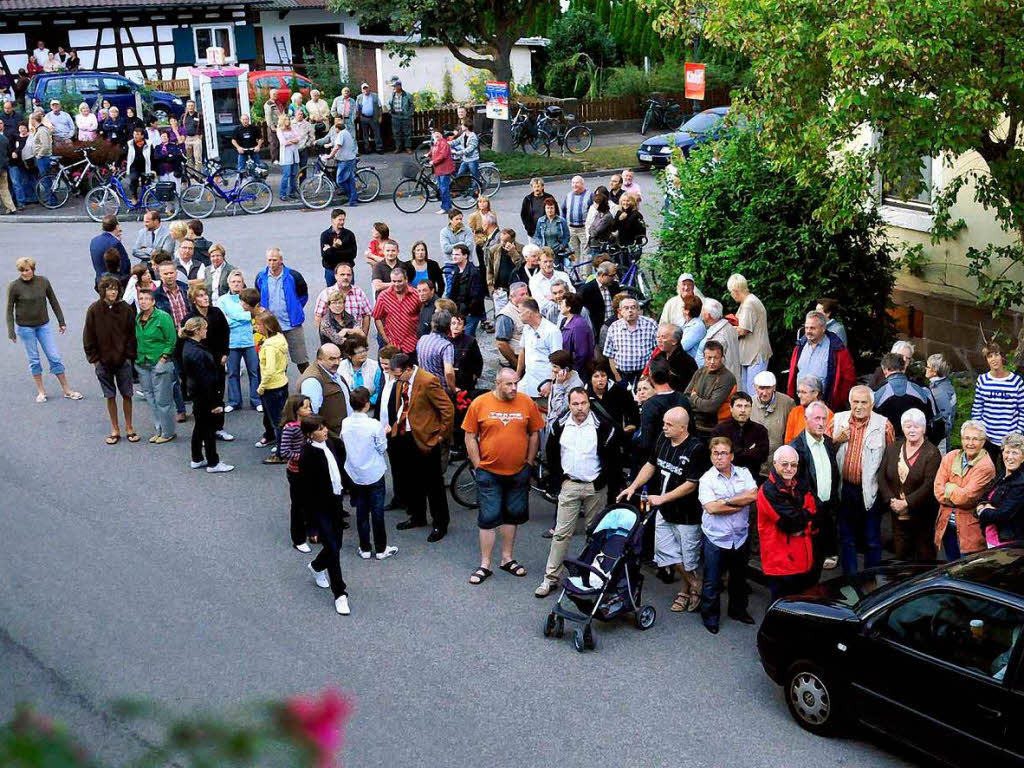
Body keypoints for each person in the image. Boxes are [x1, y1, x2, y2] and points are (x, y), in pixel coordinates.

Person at [619, 406, 709, 611]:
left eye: (669, 424)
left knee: (688, 558)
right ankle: (696, 584)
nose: (664, 427)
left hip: (687, 515)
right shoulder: (662, 439)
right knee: (666, 553)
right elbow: (651, 465)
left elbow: (691, 484)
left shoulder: (696, 449)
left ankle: (686, 591)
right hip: (664, 511)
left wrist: (662, 498)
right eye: (664, 423)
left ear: (683, 427)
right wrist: (633, 486)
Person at [536, 387, 621, 596]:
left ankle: (590, 577)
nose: (580, 408)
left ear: (589, 403)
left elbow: (614, 460)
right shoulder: (560, 425)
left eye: (583, 403)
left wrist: (603, 484)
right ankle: (550, 579)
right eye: (575, 404)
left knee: (596, 534)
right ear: (569, 405)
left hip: (595, 487)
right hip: (570, 486)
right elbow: (551, 454)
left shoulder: (603, 426)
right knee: (561, 534)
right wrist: (560, 481)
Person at [463, 368, 544, 584]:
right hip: (489, 472)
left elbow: (535, 432)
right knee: (488, 518)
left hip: (518, 471)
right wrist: (477, 464)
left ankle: (507, 559)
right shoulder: (480, 403)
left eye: (516, 383)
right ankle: (485, 564)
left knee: (512, 515)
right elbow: (470, 435)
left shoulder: (526, 402)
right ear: (497, 384)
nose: (514, 388)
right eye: (509, 384)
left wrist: (529, 461)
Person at [387, 352, 453, 541]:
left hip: (425, 437)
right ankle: (417, 516)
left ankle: (440, 523)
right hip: (405, 434)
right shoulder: (402, 380)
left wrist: (440, 436)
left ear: (408, 369)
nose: (396, 379)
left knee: (433, 484)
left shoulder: (427, 380)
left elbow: (447, 408)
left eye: (398, 375)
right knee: (412, 480)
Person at [697, 436, 758, 633]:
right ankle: (710, 617)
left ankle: (738, 611)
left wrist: (725, 501)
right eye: (715, 453)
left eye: (723, 453)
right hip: (716, 538)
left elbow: (753, 496)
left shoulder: (744, 473)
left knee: (739, 579)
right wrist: (738, 504)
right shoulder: (706, 479)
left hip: (740, 537)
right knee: (712, 581)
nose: (719, 458)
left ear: (731, 456)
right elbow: (712, 508)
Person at [831, 385, 895, 576]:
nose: (858, 406)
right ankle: (850, 580)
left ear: (872, 404)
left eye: (863, 402)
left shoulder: (884, 425)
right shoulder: (837, 420)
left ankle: (871, 581)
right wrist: (836, 439)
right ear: (850, 402)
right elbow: (823, 448)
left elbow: (890, 459)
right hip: (846, 488)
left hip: (871, 489)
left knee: (872, 539)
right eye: (855, 402)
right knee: (846, 537)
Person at [6, 257, 82, 402]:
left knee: (54, 356)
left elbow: (53, 301)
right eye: (21, 271)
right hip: (25, 328)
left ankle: (66, 389)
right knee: (34, 359)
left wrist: (61, 321)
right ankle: (41, 391)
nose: (24, 273)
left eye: (27, 270)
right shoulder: (14, 286)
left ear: (33, 269)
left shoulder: (43, 282)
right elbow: (9, 310)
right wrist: (11, 331)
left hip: (43, 325)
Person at [298, 415, 351, 615]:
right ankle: (340, 594)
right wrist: (311, 526)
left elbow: (338, 469)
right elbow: (306, 493)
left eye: (324, 426)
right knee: (333, 548)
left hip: (336, 503)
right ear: (310, 435)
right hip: (320, 508)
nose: (325, 431)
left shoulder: (329, 443)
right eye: (320, 429)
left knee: (336, 544)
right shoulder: (307, 455)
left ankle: (316, 566)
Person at [877, 408, 942, 562]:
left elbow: (929, 484)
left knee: (923, 555)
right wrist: (892, 501)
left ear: (924, 429)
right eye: (908, 426)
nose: (912, 430)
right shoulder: (893, 448)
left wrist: (906, 503)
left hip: (922, 515)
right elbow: (881, 476)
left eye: (916, 426)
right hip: (896, 514)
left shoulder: (932, 453)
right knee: (900, 555)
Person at [342, 386, 398, 559]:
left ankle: (365, 547)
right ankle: (381, 548)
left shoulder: (346, 422)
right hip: (374, 472)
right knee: (377, 512)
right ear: (367, 404)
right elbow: (382, 447)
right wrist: (385, 432)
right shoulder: (374, 425)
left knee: (361, 511)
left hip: (355, 473)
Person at [757, 446, 818, 601]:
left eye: (793, 464)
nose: (789, 469)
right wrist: (805, 517)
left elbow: (815, 511)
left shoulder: (800, 484)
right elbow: (793, 523)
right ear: (775, 464)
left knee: (799, 604)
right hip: (780, 562)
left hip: (802, 558)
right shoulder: (768, 490)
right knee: (780, 606)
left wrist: (802, 520)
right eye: (784, 464)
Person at [83, 276, 137, 444]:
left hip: (123, 361)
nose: (113, 291)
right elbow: (88, 337)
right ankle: (115, 428)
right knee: (110, 396)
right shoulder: (94, 310)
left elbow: (132, 335)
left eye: (115, 288)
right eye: (109, 288)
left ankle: (129, 427)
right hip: (103, 362)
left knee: (127, 394)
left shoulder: (126, 309)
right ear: (103, 291)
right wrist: (95, 360)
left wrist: (129, 357)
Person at [933, 420, 997, 560]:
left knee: (967, 571)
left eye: (975, 439)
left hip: (969, 531)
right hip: (947, 526)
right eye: (967, 438)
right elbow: (937, 490)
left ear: (983, 441)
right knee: (950, 568)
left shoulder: (985, 466)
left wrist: (949, 487)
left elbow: (966, 497)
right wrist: (956, 490)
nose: (970, 443)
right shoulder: (951, 456)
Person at [786, 310, 856, 411]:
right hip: (800, 403)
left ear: (823, 328)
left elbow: (848, 378)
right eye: (806, 327)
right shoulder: (800, 346)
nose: (808, 331)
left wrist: (837, 401)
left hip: (825, 406)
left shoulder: (837, 349)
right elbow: (793, 374)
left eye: (812, 328)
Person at [972, 341, 1024, 473]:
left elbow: (1022, 410)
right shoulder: (982, 380)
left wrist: (1016, 434)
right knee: (987, 473)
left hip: (1010, 438)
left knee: (1011, 474)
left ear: (1002, 357)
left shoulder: (1016, 382)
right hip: (988, 437)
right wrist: (980, 433)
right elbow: (977, 409)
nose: (993, 359)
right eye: (990, 356)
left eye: (996, 355)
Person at [254, 248, 309, 372]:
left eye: (275, 260)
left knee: (302, 361)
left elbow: (303, 295)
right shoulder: (261, 277)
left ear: (281, 260)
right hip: (271, 327)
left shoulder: (293, 276)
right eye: (269, 260)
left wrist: (295, 308)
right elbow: (258, 295)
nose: (272, 263)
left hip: (292, 325)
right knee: (277, 363)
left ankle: (308, 386)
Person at [133, 287, 177, 444]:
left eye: (146, 299)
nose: (143, 302)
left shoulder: (162, 317)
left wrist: (163, 358)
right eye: (141, 299)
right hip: (142, 363)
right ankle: (159, 429)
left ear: (153, 302)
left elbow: (171, 339)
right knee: (150, 398)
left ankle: (168, 432)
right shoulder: (138, 318)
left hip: (159, 363)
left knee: (163, 399)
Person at [277, 394, 316, 551]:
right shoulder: (291, 428)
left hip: (310, 470)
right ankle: (298, 539)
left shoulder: (309, 424)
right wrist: (303, 457)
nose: (309, 409)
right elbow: (285, 451)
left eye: (309, 406)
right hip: (297, 472)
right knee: (298, 505)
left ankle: (312, 530)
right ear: (296, 410)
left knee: (311, 501)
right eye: (305, 407)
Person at [873, 351, 940, 440]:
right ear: (904, 368)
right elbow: (936, 422)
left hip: (888, 445)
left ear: (884, 369)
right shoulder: (922, 390)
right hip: (919, 443)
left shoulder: (876, 394)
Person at [216, 271, 258, 413]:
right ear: (228, 283)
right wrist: (243, 317)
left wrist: (233, 316)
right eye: (233, 282)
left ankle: (256, 400)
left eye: (238, 281)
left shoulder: (249, 297)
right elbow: (223, 320)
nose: (236, 284)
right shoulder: (222, 300)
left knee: (254, 372)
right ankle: (234, 401)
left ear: (243, 283)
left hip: (249, 341)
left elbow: (253, 315)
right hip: (231, 342)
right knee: (233, 373)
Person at [635, 359, 693, 461]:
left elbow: (646, 442)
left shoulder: (650, 405)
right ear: (669, 373)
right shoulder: (682, 398)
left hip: (659, 459)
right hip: (682, 456)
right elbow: (691, 429)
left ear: (651, 376)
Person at [976, 432, 1024, 548]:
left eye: (1015, 453)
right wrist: (983, 506)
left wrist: (983, 511)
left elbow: (1003, 514)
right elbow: (984, 496)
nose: (1010, 457)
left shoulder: (1021, 483)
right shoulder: (1002, 473)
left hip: (1010, 543)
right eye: (1007, 452)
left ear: (1023, 457)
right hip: (992, 538)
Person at [727, 274, 772, 394]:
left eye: (731, 292)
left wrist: (728, 330)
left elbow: (743, 330)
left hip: (755, 355)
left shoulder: (748, 304)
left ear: (735, 291)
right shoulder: (749, 301)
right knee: (746, 390)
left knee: (753, 392)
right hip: (749, 355)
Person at [254, 311, 290, 458]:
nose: (256, 327)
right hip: (282, 382)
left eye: (258, 324)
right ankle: (282, 443)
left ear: (267, 326)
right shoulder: (280, 339)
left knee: (277, 420)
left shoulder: (269, 346)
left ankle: (282, 450)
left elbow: (269, 370)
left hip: (272, 387)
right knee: (282, 417)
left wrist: (261, 387)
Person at [298, 343, 352, 438]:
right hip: (331, 437)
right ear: (320, 359)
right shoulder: (312, 381)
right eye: (332, 359)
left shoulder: (329, 371)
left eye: (339, 358)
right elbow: (311, 417)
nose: (337, 362)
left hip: (342, 432)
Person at [684, 340, 736, 439]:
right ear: (704, 358)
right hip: (694, 425)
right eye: (709, 358)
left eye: (715, 358)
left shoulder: (727, 378)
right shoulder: (700, 372)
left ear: (722, 358)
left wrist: (694, 397)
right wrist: (701, 404)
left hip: (715, 430)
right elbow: (685, 397)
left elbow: (711, 407)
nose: (712, 362)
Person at [711, 392, 770, 478]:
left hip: (751, 479)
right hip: (724, 480)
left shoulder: (760, 430)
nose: (743, 410)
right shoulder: (719, 431)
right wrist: (750, 452)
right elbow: (719, 457)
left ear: (751, 408)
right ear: (731, 408)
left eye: (746, 406)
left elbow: (763, 456)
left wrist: (733, 452)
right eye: (739, 406)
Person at [602, 297, 657, 388]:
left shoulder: (650, 325)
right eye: (626, 308)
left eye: (633, 307)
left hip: (645, 374)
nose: (630, 311)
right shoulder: (614, 327)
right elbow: (610, 355)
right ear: (620, 311)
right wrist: (617, 376)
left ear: (639, 310)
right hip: (622, 375)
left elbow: (657, 351)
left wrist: (649, 374)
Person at [749, 371, 796, 479]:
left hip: (779, 466)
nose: (764, 393)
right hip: (755, 465)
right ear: (755, 388)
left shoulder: (788, 403)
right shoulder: (749, 403)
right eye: (761, 388)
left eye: (768, 388)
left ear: (774, 387)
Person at [517, 298, 563, 401]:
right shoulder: (527, 328)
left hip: (544, 383)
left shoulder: (552, 331)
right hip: (527, 381)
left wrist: (550, 382)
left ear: (529, 313)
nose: (518, 315)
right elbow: (522, 351)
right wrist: (517, 375)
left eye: (520, 312)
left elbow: (558, 360)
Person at [372, 266, 421, 356]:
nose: (396, 284)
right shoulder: (383, 296)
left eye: (399, 281)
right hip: (393, 344)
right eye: (394, 281)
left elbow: (423, 315)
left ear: (406, 280)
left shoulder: (416, 295)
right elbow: (377, 317)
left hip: (412, 343)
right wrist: (385, 338)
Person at [313, 263, 371, 337]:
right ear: (336, 276)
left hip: (355, 339)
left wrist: (363, 336)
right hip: (333, 341)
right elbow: (318, 316)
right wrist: (326, 337)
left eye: (348, 275)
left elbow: (366, 315)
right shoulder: (326, 294)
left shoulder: (359, 293)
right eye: (342, 274)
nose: (345, 277)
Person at [695, 298, 741, 384]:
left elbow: (715, 362)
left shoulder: (717, 336)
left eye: (703, 311)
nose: (701, 314)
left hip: (719, 381)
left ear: (708, 315)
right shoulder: (728, 327)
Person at [644, 323, 697, 392]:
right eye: (658, 337)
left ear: (674, 341)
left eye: (663, 337)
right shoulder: (658, 357)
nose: (659, 340)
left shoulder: (687, 362)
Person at [449, 244, 486, 336]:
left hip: (471, 313)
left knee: (467, 338)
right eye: (453, 254)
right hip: (459, 311)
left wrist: (468, 311)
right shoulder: (456, 270)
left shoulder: (474, 272)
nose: (454, 257)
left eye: (457, 255)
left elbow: (476, 295)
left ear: (465, 256)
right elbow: (453, 292)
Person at [416, 310, 456, 393]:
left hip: (423, 385)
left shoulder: (422, 339)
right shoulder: (446, 346)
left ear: (432, 324)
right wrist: (453, 389)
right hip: (439, 388)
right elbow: (448, 372)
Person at [339, 333, 383, 408]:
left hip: (370, 407)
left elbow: (379, 390)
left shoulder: (375, 366)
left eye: (364, 350)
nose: (363, 354)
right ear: (349, 355)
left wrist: (368, 404)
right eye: (359, 352)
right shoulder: (340, 367)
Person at [322, 118, 358, 207]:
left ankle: (351, 196)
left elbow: (337, 146)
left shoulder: (341, 134)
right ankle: (352, 199)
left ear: (337, 128)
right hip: (349, 158)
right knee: (350, 180)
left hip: (345, 161)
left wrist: (330, 155)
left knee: (340, 180)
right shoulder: (346, 132)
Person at [579, 261, 619, 338]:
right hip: (597, 332)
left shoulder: (614, 286)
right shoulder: (586, 290)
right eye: (612, 275)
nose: (615, 278)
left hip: (615, 329)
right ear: (602, 275)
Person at [926, 353, 956, 453]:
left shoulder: (939, 391)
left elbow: (945, 417)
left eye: (928, 366)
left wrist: (937, 437)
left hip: (939, 439)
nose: (925, 369)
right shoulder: (944, 384)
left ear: (934, 371)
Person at [528, 251, 574, 316]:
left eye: (550, 261)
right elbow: (541, 304)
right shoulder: (534, 280)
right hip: (547, 316)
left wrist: (551, 298)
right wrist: (561, 300)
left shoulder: (563, 276)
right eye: (545, 262)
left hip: (568, 312)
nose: (548, 264)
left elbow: (572, 294)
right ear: (539, 262)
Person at [559, 293, 595, 375]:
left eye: (562, 304)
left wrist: (572, 370)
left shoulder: (579, 325)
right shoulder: (564, 321)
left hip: (577, 372)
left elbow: (582, 353)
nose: (560, 305)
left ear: (569, 307)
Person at [562, 176, 594, 263]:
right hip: (571, 229)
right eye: (573, 183)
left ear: (582, 184)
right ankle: (575, 275)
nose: (574, 185)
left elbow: (594, 211)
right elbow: (563, 210)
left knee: (586, 253)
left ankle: (585, 276)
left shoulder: (590, 195)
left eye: (577, 183)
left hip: (584, 229)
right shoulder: (568, 196)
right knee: (573, 253)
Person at [90, 215, 130, 283]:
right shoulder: (115, 243)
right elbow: (125, 264)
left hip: (99, 279)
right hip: (114, 281)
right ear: (116, 226)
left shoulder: (94, 241)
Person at [450, 313, 483, 392]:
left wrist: (475, 375)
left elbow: (478, 360)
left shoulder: (470, 341)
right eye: (453, 323)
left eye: (459, 324)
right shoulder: (444, 341)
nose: (456, 326)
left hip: (465, 380)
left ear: (464, 327)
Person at [429, 127, 454, 214]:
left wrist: (433, 161)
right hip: (439, 169)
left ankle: (445, 208)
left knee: (444, 189)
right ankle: (448, 206)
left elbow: (442, 156)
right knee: (442, 188)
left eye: (437, 134)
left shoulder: (443, 143)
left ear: (441, 134)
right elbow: (433, 150)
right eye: (435, 134)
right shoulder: (437, 142)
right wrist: (427, 155)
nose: (436, 135)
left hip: (444, 169)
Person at [276, 114, 300, 201]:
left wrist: (291, 141)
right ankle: (282, 193)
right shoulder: (279, 130)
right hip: (286, 155)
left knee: (294, 175)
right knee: (286, 175)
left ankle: (292, 192)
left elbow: (298, 138)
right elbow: (283, 142)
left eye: (289, 120)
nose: (288, 121)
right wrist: (292, 141)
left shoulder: (292, 129)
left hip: (294, 154)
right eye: (286, 120)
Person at [355, 82, 383, 154]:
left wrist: (380, 116)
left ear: (369, 88)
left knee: (377, 133)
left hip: (374, 117)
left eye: (366, 88)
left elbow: (380, 107)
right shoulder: (359, 97)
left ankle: (379, 148)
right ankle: (367, 148)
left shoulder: (375, 96)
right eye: (364, 89)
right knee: (365, 134)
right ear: (362, 90)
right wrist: (358, 117)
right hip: (364, 118)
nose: (365, 90)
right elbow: (357, 109)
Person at [180, 100, 203, 167]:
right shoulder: (183, 116)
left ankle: (198, 176)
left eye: (192, 106)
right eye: (189, 106)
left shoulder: (199, 116)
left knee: (198, 158)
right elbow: (181, 127)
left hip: (196, 138)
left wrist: (200, 137)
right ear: (187, 107)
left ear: (194, 106)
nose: (190, 107)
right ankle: (191, 175)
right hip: (187, 138)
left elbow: (202, 127)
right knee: (188, 158)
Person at [263, 90, 282, 160]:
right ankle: (274, 159)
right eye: (274, 94)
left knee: (280, 142)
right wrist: (271, 126)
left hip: (280, 126)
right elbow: (268, 116)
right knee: (274, 143)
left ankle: (280, 158)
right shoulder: (268, 104)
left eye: (276, 94)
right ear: (270, 95)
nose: (275, 95)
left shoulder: (278, 103)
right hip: (273, 126)